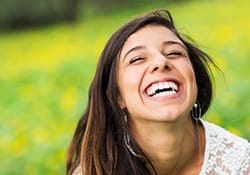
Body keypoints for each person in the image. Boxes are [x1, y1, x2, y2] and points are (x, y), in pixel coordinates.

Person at [66, 10, 250, 175]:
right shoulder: (94, 169)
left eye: (174, 53)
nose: (161, 62)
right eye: (137, 58)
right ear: (117, 96)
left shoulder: (240, 163)